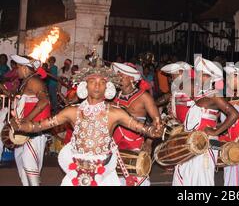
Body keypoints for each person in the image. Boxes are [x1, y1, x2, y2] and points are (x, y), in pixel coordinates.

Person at [12, 56, 162, 186]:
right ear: (84, 85)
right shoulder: (72, 111)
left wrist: (153, 131)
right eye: (92, 81)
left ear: (108, 87)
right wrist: (25, 125)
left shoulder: (115, 112)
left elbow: (140, 127)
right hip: (75, 170)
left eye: (102, 82)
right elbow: (42, 125)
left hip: (105, 172)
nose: (97, 86)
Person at [172, 56, 239, 186]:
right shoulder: (198, 94)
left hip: (205, 145)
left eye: (200, 74)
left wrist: (216, 131)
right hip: (190, 142)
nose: (197, 76)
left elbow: (234, 114)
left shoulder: (214, 95)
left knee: (201, 181)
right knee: (184, 176)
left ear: (209, 77)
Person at [111, 62, 162, 186]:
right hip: (114, 146)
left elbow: (158, 123)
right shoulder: (112, 97)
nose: (118, 78)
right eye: (117, 76)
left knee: (136, 181)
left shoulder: (144, 97)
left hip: (135, 145)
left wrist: (149, 142)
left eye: (122, 76)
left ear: (132, 78)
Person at [8, 55, 51, 186]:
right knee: (21, 161)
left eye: (18, 68)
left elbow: (44, 101)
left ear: (25, 68)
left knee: (29, 163)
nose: (17, 71)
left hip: (34, 129)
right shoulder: (26, 82)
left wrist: (26, 120)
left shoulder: (34, 82)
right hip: (25, 130)